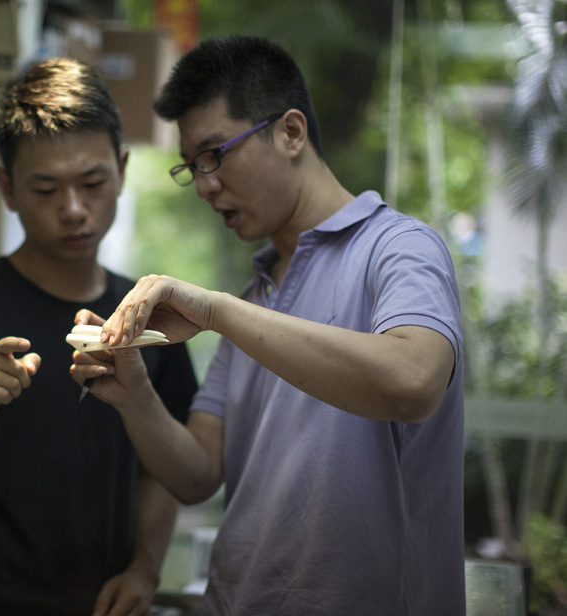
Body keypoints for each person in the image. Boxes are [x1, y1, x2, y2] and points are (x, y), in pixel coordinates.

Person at [70, 36, 465, 615]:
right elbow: (198, 476)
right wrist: (135, 397)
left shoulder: (399, 248)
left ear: (291, 132)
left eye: (214, 154)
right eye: (191, 166)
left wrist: (216, 312)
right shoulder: (255, 299)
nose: (204, 184)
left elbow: (413, 381)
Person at [0, 57, 197, 616]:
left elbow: (170, 472)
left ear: (121, 170)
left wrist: (146, 569)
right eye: (45, 189)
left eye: (92, 183)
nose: (73, 210)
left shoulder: (152, 317)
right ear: (6, 187)